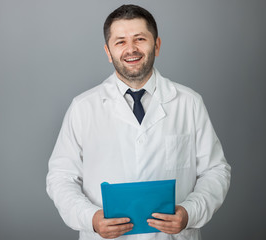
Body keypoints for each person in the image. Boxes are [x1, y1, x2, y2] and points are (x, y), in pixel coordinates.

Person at [46, 4, 231, 240]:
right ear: (108, 51)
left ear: (157, 44)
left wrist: (189, 213)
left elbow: (216, 171)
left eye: (140, 39)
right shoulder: (83, 107)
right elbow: (61, 177)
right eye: (120, 41)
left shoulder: (189, 103)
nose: (131, 49)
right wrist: (91, 218)